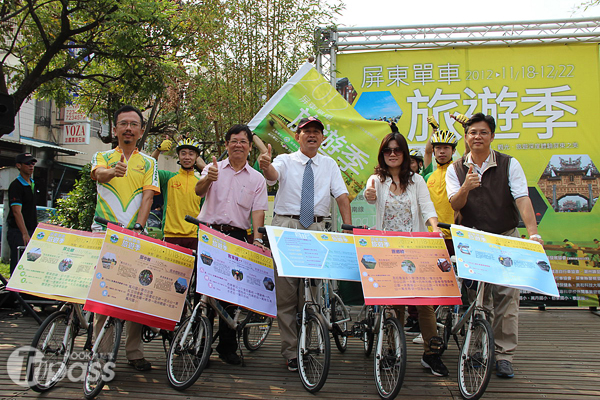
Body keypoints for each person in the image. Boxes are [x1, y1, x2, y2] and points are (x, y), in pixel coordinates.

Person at [445, 112, 543, 379]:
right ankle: (477, 348)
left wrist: (533, 234)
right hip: (472, 240)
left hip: (504, 237)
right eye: (473, 132)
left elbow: (522, 199)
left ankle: (504, 354)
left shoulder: (509, 164)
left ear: (492, 135)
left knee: (506, 298)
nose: (477, 136)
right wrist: (466, 187)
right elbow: (455, 204)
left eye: (483, 132)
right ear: (466, 137)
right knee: (477, 299)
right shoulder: (455, 169)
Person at [259, 116, 352, 372]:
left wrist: (348, 227)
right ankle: (291, 351)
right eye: (306, 131)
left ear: (322, 138)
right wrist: (265, 164)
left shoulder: (329, 164)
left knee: (311, 293)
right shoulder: (285, 160)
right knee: (287, 295)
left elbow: (342, 195)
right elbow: (272, 175)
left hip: (316, 229)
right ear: (297, 137)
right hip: (287, 227)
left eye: (316, 132)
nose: (312, 135)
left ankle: (309, 342)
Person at [363, 131, 448, 377]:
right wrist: (370, 194)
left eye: (397, 150)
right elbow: (370, 194)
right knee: (394, 304)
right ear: (382, 154)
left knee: (425, 304)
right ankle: (392, 351)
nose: (392, 154)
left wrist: (434, 227)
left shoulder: (417, 181)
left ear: (404, 153)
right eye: (387, 150)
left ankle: (431, 355)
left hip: (416, 248)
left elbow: (427, 206)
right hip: (387, 250)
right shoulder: (376, 180)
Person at [91, 105, 160, 371]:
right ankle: (101, 353)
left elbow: (148, 197)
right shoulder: (103, 156)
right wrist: (113, 172)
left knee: (135, 293)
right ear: (115, 129)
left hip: (133, 235)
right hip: (103, 231)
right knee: (103, 292)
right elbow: (98, 174)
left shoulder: (149, 163)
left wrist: (140, 228)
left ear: (141, 131)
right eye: (123, 124)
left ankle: (134, 352)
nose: (128, 128)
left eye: (133, 124)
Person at [195, 124, 268, 365]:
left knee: (232, 294)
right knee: (202, 292)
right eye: (233, 141)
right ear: (226, 145)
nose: (238, 145)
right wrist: (208, 179)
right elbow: (198, 191)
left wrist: (257, 239)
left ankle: (227, 347)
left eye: (243, 141)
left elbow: (258, 212)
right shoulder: (212, 168)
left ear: (249, 147)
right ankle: (198, 345)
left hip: (237, 238)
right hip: (209, 235)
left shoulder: (257, 178)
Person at [151, 138, 205, 249]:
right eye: (183, 153)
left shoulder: (201, 182)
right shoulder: (168, 177)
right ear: (179, 157)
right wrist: (158, 150)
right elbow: (149, 169)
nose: (187, 157)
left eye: (191, 154)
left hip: (194, 236)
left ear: (196, 158)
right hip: (170, 234)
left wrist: (204, 167)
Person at [424, 128, 459, 251]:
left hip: (455, 235)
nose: (442, 152)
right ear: (433, 151)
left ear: (453, 150)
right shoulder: (428, 176)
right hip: (434, 234)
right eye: (438, 148)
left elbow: (469, 153)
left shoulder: (459, 172)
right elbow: (427, 152)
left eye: (446, 148)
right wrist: (432, 131)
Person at [7, 153, 38, 275]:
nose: (31, 166)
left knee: (30, 264)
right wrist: (24, 233)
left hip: (31, 229)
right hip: (18, 231)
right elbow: (16, 212)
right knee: (18, 264)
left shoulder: (32, 183)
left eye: (33, 163)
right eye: (27, 163)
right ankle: (13, 293)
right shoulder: (16, 186)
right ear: (18, 166)